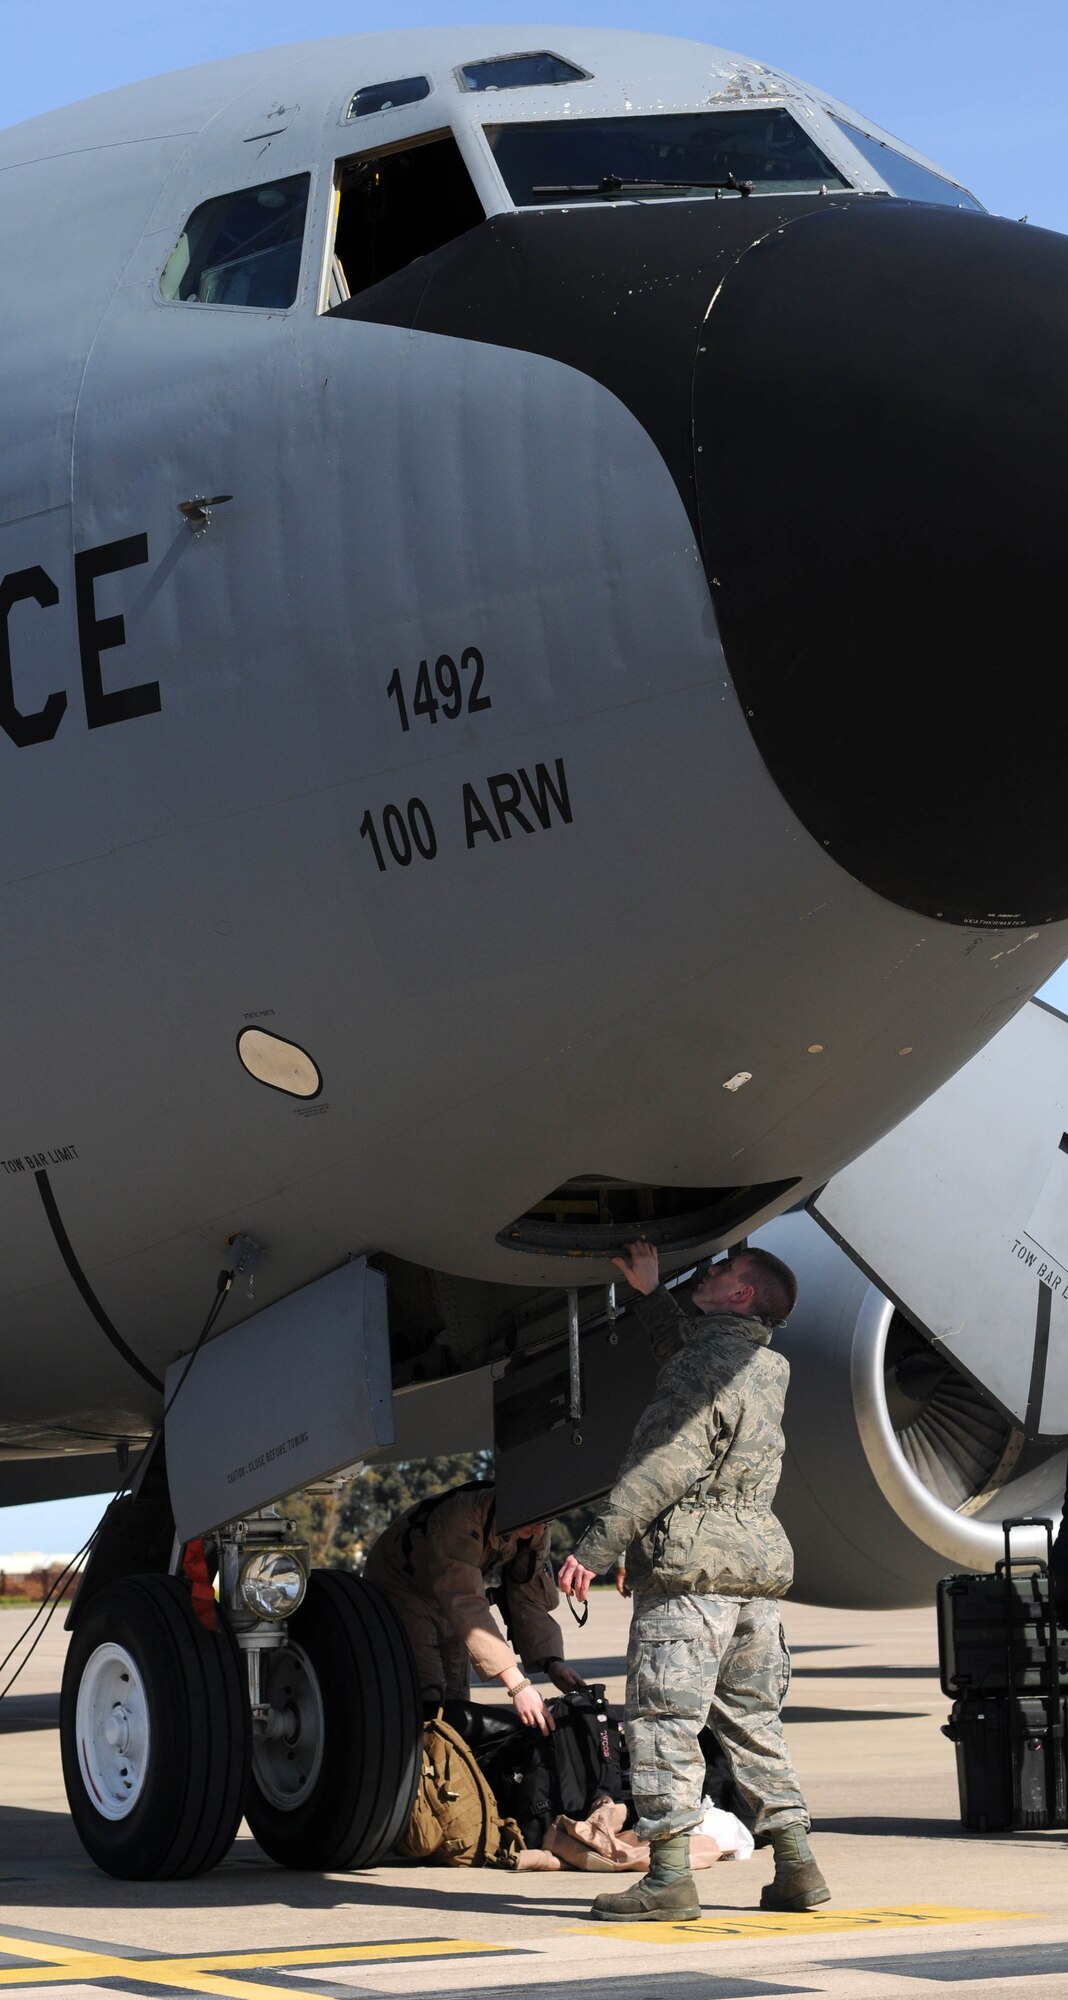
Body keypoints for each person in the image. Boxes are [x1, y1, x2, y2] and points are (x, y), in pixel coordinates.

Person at [558, 1240, 828, 1921]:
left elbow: (664, 1461)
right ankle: (797, 1867)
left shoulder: (705, 1366)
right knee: (753, 1723)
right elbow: (694, 1357)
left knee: (663, 1725)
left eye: (722, 1271)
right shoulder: (763, 1367)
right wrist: (652, 1295)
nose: (707, 1272)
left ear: (742, 1295)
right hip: (752, 1577)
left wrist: (597, 1545)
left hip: (692, 1582)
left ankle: (669, 1879)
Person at [364, 1481, 585, 1735]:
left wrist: (552, 1663)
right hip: (404, 1588)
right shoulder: (459, 1517)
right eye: (533, 1520)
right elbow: (465, 1600)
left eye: (546, 1522)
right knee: (430, 1699)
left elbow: (527, 1595)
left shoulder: (535, 1526)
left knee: (457, 1698)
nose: (539, 1528)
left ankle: (456, 1766)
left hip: (449, 1596)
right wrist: (517, 1685)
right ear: (512, 1505)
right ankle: (424, 1767)